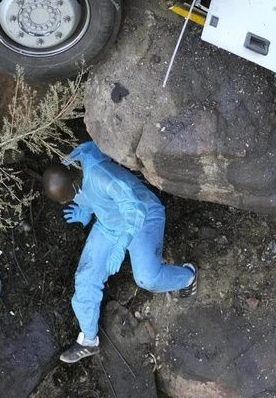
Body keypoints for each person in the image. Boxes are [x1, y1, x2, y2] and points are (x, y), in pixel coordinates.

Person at [43, 141, 197, 363]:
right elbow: (85, 197)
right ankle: (88, 341)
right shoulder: (68, 167)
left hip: (143, 218)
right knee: (85, 278)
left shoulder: (103, 176)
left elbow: (134, 208)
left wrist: (121, 245)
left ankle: (187, 278)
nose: (70, 200)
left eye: (71, 195)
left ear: (76, 180)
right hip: (109, 223)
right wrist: (86, 211)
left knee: (147, 278)